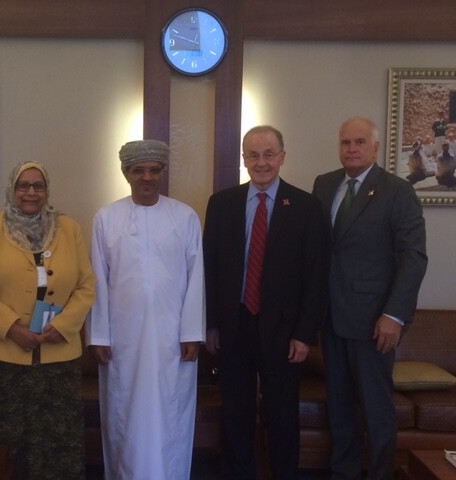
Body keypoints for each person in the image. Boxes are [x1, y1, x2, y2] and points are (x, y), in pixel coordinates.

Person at [203, 125, 328, 479]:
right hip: (234, 326)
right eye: (253, 155)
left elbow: (316, 276)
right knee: (235, 413)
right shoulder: (221, 204)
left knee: (282, 415)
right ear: (243, 159)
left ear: (282, 157)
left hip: (285, 331)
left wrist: (305, 334)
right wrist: (211, 322)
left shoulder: (306, 207)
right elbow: (209, 269)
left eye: (269, 154)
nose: (262, 163)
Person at [312, 117, 427, 480]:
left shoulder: (397, 190)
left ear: (376, 148)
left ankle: (379, 474)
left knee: (376, 411)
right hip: (330, 318)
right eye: (345, 142)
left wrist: (394, 315)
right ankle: (343, 473)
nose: (352, 149)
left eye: (360, 142)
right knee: (340, 408)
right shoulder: (325, 184)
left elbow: (413, 256)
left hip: (374, 321)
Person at [0, 161, 95, 480]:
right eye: (23, 185)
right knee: (5, 441)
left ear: (47, 191)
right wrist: (12, 328)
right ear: (12, 190)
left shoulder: (70, 229)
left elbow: (86, 286)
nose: (31, 192)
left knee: (57, 440)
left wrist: (63, 326)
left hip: (58, 358)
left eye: (38, 186)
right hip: (4, 358)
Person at [86, 139, 205, 480]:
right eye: (139, 170)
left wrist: (192, 333)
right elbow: (97, 280)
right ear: (125, 173)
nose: (147, 177)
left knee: (172, 414)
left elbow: (196, 279)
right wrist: (99, 336)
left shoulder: (184, 217)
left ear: (163, 173)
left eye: (154, 170)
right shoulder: (106, 218)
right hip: (122, 341)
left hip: (173, 343)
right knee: (124, 413)